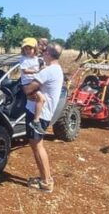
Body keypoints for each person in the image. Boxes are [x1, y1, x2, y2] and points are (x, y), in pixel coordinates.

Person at [22, 43, 64, 193]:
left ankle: (46, 182)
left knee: (37, 145)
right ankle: (44, 178)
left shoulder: (47, 71)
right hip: (45, 113)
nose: (42, 52)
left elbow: (28, 88)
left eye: (44, 51)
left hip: (38, 115)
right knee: (37, 145)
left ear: (48, 54)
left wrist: (27, 89)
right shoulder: (57, 69)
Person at [19, 38, 45, 135]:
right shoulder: (23, 59)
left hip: (36, 82)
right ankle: (36, 121)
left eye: (30, 48)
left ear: (35, 49)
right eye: (26, 49)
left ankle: (36, 119)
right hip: (29, 84)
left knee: (36, 102)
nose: (28, 50)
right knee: (41, 99)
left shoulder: (36, 59)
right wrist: (37, 71)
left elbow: (42, 67)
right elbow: (25, 70)